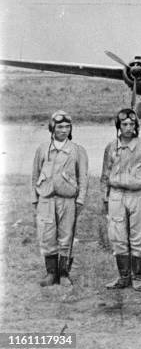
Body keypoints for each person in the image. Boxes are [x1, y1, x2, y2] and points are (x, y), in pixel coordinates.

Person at [102, 108, 141, 291]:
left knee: (139, 236)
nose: (128, 128)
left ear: (136, 126)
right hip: (117, 195)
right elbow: (105, 174)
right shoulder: (111, 147)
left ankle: (137, 277)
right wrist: (105, 197)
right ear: (118, 126)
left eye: (132, 124)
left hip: (139, 195)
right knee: (118, 236)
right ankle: (123, 276)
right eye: (124, 124)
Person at [32, 110, 88, 287]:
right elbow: (35, 175)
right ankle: (51, 273)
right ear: (52, 128)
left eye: (67, 127)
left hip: (67, 200)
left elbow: (83, 178)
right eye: (60, 126)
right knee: (47, 236)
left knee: (66, 236)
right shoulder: (42, 149)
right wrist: (35, 199)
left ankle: (64, 273)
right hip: (46, 199)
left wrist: (80, 200)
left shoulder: (77, 150)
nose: (64, 130)